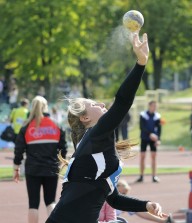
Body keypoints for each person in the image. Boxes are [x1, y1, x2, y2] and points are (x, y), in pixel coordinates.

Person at [46, 33, 165, 223]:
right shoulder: (95, 136)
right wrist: (141, 63)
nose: (101, 103)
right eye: (93, 104)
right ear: (85, 117)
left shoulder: (97, 149)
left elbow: (115, 199)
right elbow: (122, 102)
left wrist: (146, 205)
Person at [13, 96, 68, 223]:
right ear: (46, 106)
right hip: (51, 168)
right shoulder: (56, 125)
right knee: (51, 202)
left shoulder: (26, 127)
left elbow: (19, 150)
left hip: (33, 169)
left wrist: (16, 169)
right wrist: (60, 163)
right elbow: (63, 148)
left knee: (33, 204)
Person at [136, 100, 162, 183]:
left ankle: (154, 176)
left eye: (156, 106)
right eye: (153, 106)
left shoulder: (157, 116)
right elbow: (142, 127)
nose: (155, 107)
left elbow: (159, 128)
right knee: (142, 156)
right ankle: (141, 176)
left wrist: (158, 139)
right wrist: (150, 134)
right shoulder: (143, 115)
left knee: (154, 157)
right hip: (144, 138)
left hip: (153, 139)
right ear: (149, 106)